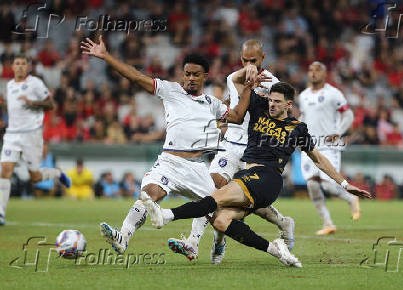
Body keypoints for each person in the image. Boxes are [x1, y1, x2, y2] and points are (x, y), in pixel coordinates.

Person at [144, 81, 372, 267]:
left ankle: (167, 216)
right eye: (270, 100)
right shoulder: (260, 107)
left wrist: (344, 183)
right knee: (221, 221)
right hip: (251, 178)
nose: (272, 104)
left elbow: (319, 159)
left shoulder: (297, 129)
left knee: (215, 198)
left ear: (288, 105)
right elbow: (237, 81)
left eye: (277, 102)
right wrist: (249, 78)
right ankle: (276, 250)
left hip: (268, 178)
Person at [80, 36, 266, 257]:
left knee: (217, 215)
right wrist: (106, 56)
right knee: (149, 195)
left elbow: (236, 116)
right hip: (169, 162)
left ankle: (217, 243)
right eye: (187, 73)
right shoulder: (170, 91)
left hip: (197, 168)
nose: (190, 78)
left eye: (196, 74)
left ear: (205, 76)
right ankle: (123, 237)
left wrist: (247, 89)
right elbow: (136, 76)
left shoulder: (212, 103)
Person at [205, 39, 294, 264]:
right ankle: (213, 242)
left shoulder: (272, 84)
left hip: (254, 150)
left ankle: (282, 222)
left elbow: (281, 116)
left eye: (253, 60)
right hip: (230, 144)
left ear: (262, 59)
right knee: (214, 188)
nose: (249, 64)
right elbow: (232, 103)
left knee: (246, 202)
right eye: (245, 60)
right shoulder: (233, 77)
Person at [0, 55, 71, 226]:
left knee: (36, 177)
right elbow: (14, 107)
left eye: (23, 64)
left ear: (27, 67)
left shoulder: (35, 84)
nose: (20, 67)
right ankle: (1, 213)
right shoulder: (9, 85)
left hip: (31, 134)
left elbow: (50, 105)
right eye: (17, 64)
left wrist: (32, 102)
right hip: (12, 135)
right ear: (12, 66)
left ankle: (57, 173)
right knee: (5, 171)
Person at [297, 61, 359, 235]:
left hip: (329, 146)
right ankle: (327, 223)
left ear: (325, 74)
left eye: (318, 69)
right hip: (309, 146)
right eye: (311, 69)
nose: (313, 72)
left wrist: (338, 132)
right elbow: (304, 117)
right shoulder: (303, 95)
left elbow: (348, 114)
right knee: (312, 186)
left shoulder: (333, 93)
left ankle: (351, 198)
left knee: (329, 185)